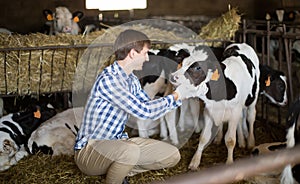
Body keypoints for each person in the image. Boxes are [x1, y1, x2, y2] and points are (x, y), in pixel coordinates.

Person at [74, 29, 188, 184]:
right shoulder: (110, 80)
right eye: (145, 53)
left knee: (171, 155)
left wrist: (177, 94)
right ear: (133, 53)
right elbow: (144, 111)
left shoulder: (131, 79)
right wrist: (176, 96)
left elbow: (147, 105)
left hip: (119, 145)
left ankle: (119, 171)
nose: (147, 58)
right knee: (130, 151)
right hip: (90, 151)